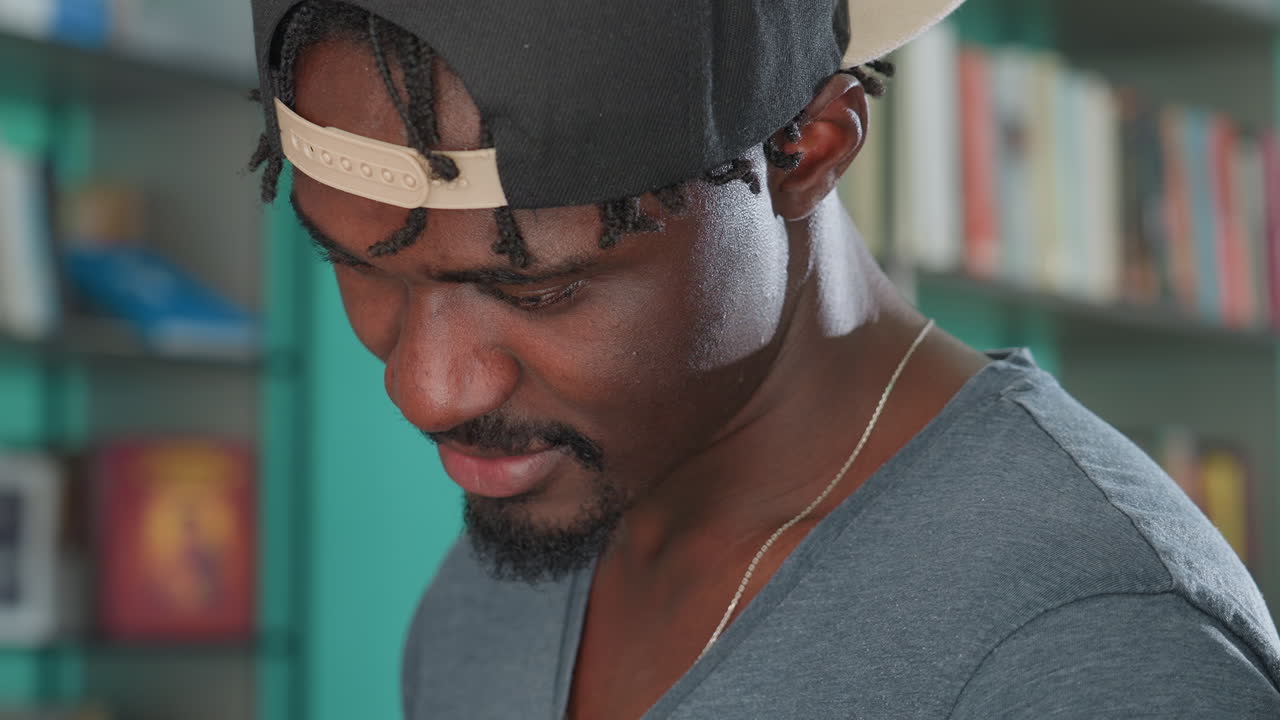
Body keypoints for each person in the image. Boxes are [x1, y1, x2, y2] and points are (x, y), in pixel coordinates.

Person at [247, 0, 1280, 717]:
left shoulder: (1084, 640)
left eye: (537, 287)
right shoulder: (494, 581)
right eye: (362, 265)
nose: (426, 388)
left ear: (805, 150)